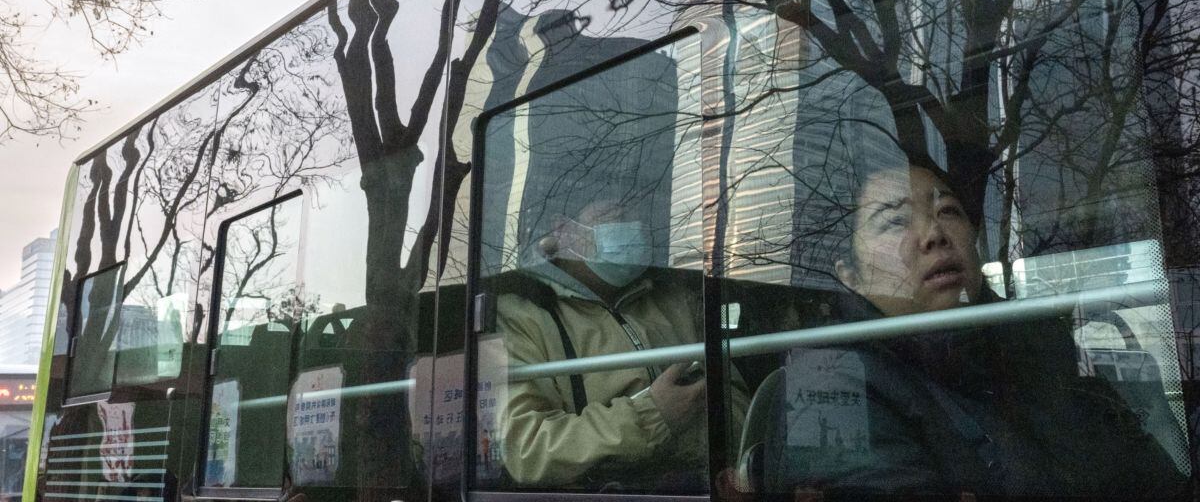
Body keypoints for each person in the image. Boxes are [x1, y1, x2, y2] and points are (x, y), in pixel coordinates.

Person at [763, 163, 1188, 499]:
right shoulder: (827, 385)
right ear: (850, 275)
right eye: (895, 221)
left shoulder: (1037, 341)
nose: (934, 234)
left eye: (948, 211)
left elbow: (1152, 475)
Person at [493, 199, 747, 491]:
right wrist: (653, 416)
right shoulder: (523, 316)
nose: (633, 226)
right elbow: (526, 450)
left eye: (638, 213)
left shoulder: (677, 299)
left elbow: (736, 399)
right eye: (613, 216)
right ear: (563, 231)